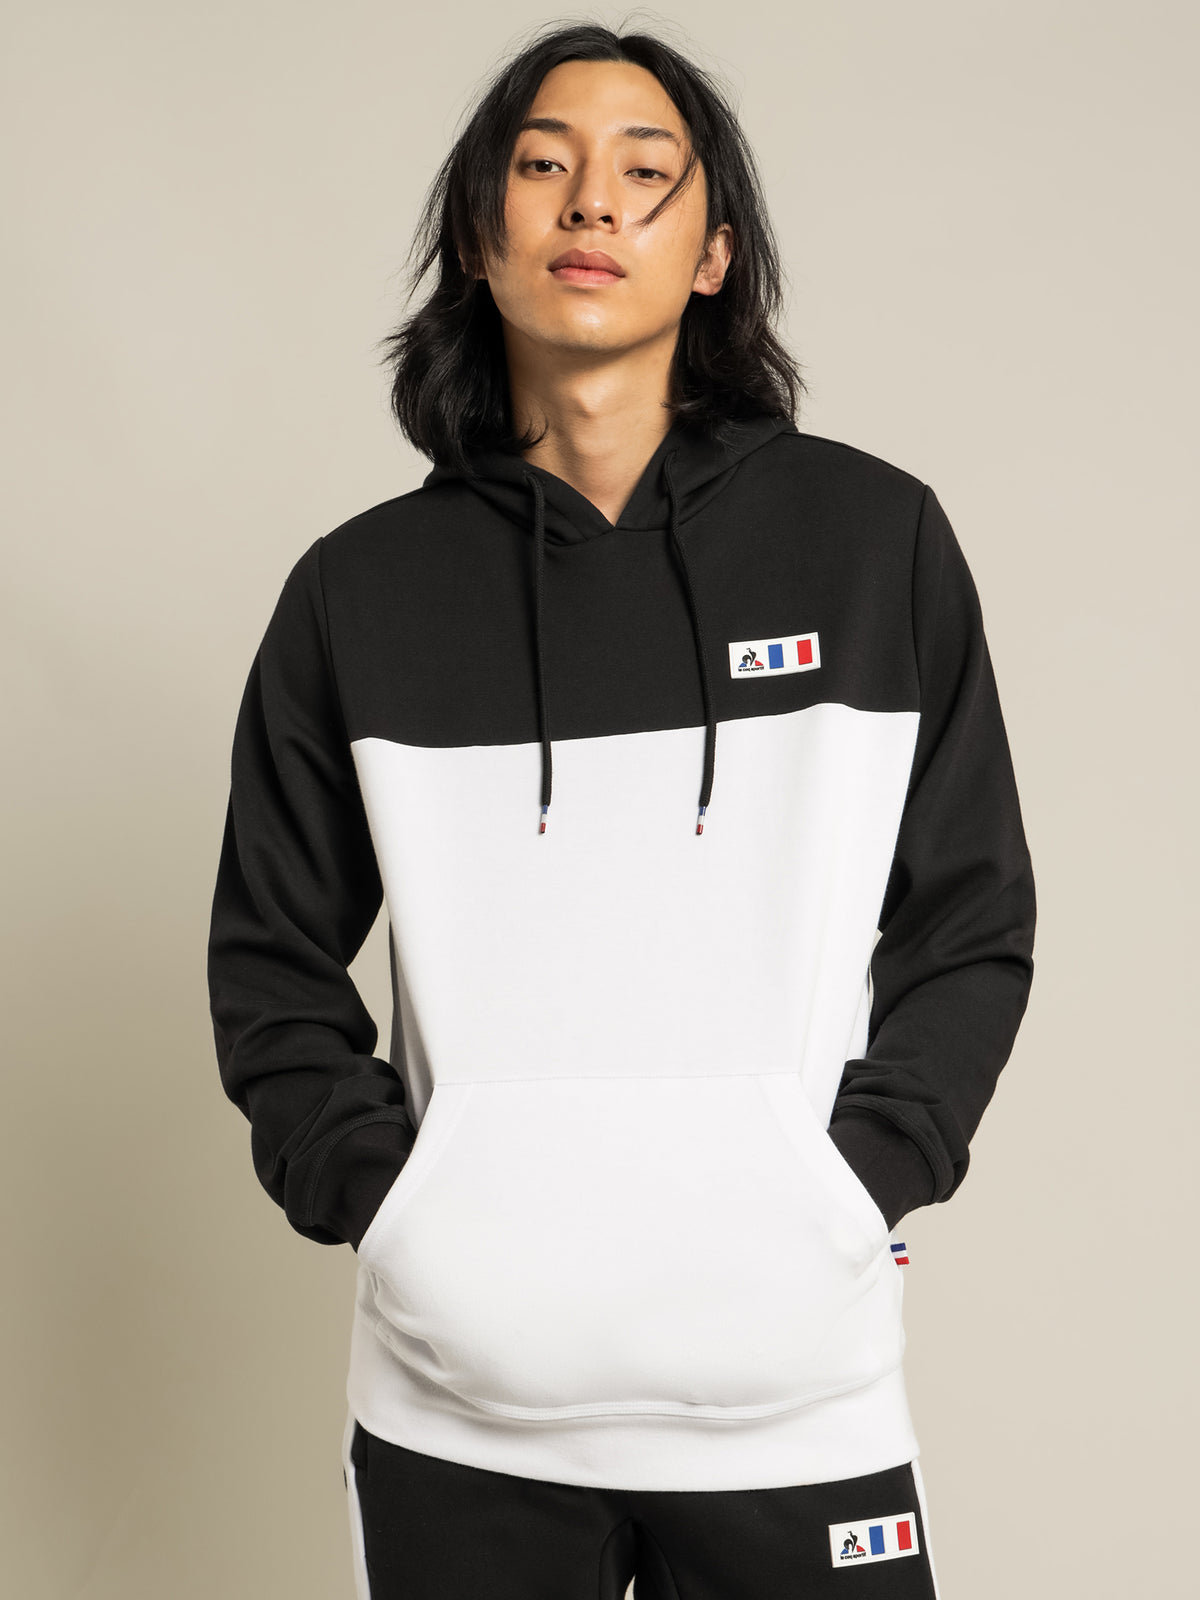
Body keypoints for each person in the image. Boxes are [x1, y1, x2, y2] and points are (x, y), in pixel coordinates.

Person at [207, 20, 1036, 1600]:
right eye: (543, 166)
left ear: (715, 254)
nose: (591, 201)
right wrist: (400, 1208)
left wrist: (856, 1183)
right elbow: (268, 963)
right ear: (479, 236)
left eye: (646, 173)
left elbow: (972, 917)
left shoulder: (874, 547)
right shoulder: (359, 595)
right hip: (460, 1413)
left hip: (798, 1398)